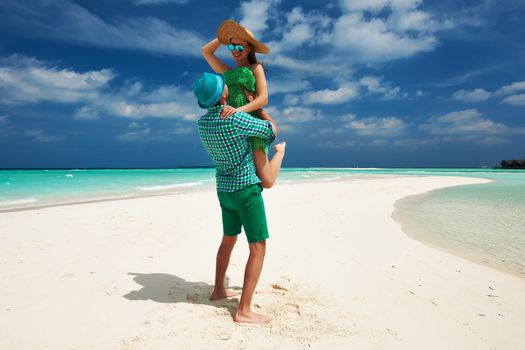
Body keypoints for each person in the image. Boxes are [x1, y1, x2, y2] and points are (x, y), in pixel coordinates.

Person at [193, 72, 276, 324]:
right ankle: (243, 310)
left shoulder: (201, 124)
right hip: (245, 189)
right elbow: (271, 132)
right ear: (224, 94)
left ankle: (218, 290)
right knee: (258, 246)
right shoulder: (236, 119)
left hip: (224, 189)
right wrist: (258, 108)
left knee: (228, 239)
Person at [201, 19, 285, 188]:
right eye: (231, 47)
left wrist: (237, 110)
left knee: (267, 182)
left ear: (250, 48)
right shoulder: (227, 72)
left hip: (251, 124)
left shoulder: (256, 68)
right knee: (246, 175)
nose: (235, 51)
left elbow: (263, 99)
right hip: (235, 128)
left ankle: (280, 151)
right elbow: (206, 51)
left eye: (240, 47)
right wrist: (225, 37)